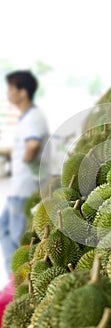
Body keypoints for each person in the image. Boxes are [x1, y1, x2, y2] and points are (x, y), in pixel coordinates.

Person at [0, 70, 50, 277]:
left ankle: (18, 281)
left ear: (22, 92)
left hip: (26, 189)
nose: (8, 93)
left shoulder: (33, 118)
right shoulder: (28, 117)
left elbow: (33, 145)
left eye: (11, 89)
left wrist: (27, 160)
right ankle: (14, 280)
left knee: (19, 240)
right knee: (5, 229)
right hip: (20, 187)